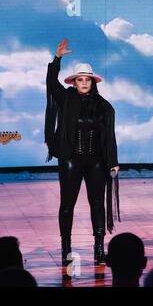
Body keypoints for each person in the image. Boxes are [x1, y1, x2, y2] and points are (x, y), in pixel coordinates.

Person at [45, 39, 120, 266]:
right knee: (67, 204)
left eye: (87, 79)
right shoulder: (66, 98)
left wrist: (113, 162)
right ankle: (66, 248)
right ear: (75, 82)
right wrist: (57, 59)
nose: (84, 83)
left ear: (92, 82)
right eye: (80, 79)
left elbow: (110, 137)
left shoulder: (104, 106)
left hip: (96, 161)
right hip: (71, 160)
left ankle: (99, 249)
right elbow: (50, 82)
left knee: (97, 203)